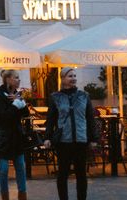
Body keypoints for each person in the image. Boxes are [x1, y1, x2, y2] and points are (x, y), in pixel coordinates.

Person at [43, 67, 98, 200]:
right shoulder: (55, 97)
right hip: (63, 141)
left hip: (81, 140)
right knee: (62, 174)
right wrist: (48, 137)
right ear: (63, 79)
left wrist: (93, 138)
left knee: (81, 174)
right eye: (70, 76)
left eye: (74, 76)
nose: (73, 78)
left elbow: (90, 118)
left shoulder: (84, 96)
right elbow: (51, 119)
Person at [0, 69, 30, 200]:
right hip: (3, 138)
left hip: (16, 137)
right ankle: (4, 195)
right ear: (8, 79)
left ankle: (22, 194)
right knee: (3, 170)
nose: (18, 80)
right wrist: (15, 105)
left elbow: (26, 114)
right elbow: (4, 116)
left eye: (19, 77)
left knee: (20, 167)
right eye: (16, 77)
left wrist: (22, 102)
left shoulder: (17, 94)